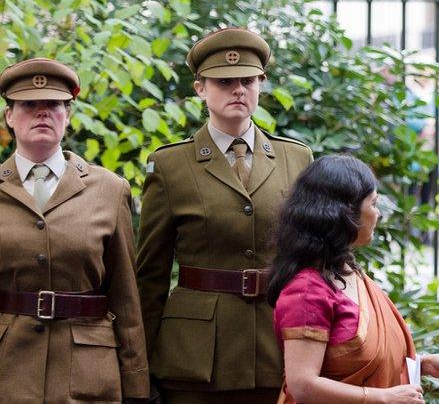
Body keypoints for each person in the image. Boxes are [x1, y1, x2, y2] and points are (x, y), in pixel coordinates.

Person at [136, 28, 313, 403]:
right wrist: (140, 368)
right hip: (196, 355)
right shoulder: (170, 165)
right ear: (200, 89)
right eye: (224, 81)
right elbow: (149, 276)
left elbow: (311, 262)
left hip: (276, 342)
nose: (238, 90)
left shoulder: (296, 159)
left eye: (247, 80)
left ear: (261, 84)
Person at [0, 58, 149, 401]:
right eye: (28, 105)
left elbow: (126, 297)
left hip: (87, 371)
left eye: (53, 104)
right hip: (9, 368)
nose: (42, 113)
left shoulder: (109, 189)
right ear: (10, 115)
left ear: (68, 114)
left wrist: (137, 383)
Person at [267, 155, 439, 403]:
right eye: (373, 204)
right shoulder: (307, 291)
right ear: (345, 212)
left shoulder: (347, 271)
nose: (378, 214)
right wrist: (380, 398)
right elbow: (302, 385)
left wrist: (424, 364)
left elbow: (357, 360)